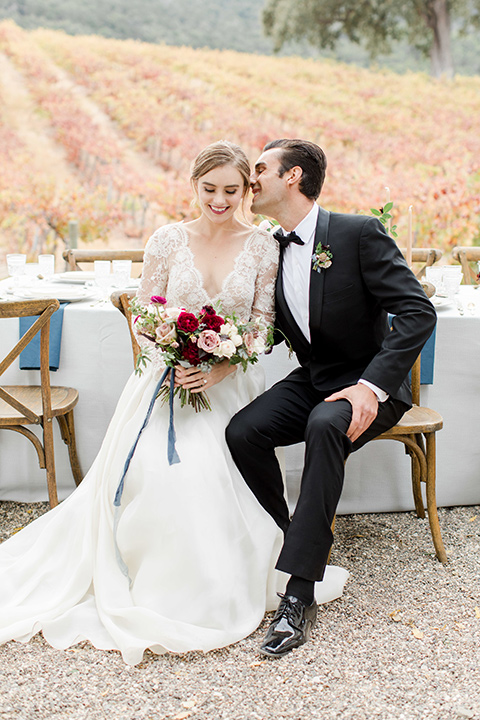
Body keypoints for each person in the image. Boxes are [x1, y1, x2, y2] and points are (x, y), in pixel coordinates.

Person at [0, 141, 310, 665]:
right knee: (168, 477)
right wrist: (169, 356)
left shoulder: (263, 246)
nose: (219, 200)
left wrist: (220, 366)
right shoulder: (167, 240)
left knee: (223, 472)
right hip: (162, 386)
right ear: (194, 186)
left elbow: (262, 325)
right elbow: (146, 314)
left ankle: (222, 580)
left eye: (231, 191)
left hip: (227, 389)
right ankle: (153, 581)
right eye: (209, 189)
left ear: (245, 191)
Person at [226, 138, 437, 658]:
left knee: (325, 424)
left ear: (293, 176)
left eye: (261, 170)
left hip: (370, 383)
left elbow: (417, 312)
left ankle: (298, 594)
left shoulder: (357, 232)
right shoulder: (269, 246)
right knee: (244, 431)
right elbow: (268, 327)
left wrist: (371, 387)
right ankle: (291, 535)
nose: (252, 180)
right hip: (316, 378)